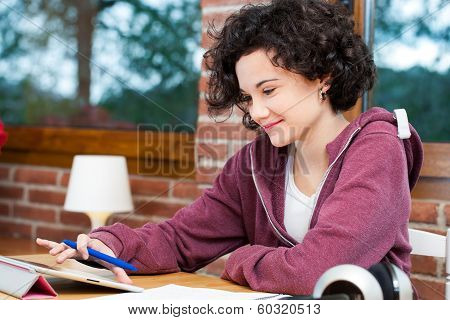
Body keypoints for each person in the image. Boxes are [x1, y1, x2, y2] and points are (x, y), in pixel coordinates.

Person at [37, 0, 423, 296]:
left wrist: (241, 259)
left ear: (322, 77)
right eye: (247, 96)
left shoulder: (377, 147)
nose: (256, 111)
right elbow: (180, 239)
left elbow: (318, 270)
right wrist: (112, 243)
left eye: (269, 90)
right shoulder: (257, 162)